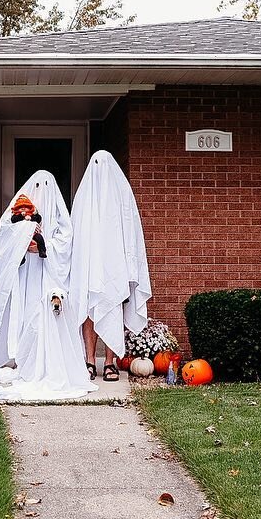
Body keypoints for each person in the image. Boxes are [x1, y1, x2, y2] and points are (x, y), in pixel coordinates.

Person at [0, 170, 97, 401]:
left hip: (47, 274)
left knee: (45, 316)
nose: (41, 190)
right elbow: (5, 238)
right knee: (26, 316)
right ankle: (24, 361)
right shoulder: (19, 213)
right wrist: (22, 242)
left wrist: (46, 246)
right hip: (26, 275)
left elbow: (65, 242)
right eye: (36, 185)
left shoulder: (59, 216)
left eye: (46, 185)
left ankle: (48, 361)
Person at [69, 150, 152, 383]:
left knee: (112, 310)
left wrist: (129, 268)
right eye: (97, 164)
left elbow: (131, 232)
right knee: (89, 312)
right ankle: (89, 360)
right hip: (89, 267)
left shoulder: (122, 195)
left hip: (114, 269)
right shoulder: (84, 197)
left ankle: (110, 363)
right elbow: (76, 233)